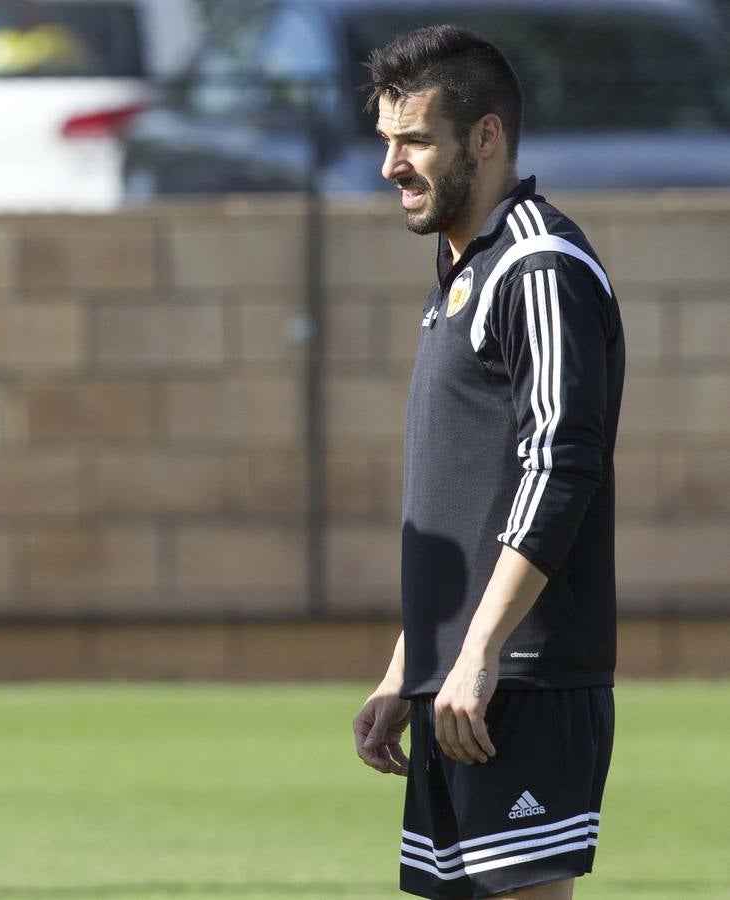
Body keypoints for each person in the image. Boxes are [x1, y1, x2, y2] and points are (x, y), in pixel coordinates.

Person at [349, 25, 625, 900]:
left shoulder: (537, 266)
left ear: (485, 136)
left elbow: (560, 463)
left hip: (520, 679)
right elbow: (463, 496)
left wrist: (478, 652)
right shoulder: (463, 273)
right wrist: (411, 666)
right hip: (459, 681)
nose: (391, 164)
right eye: (386, 140)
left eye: (415, 140)